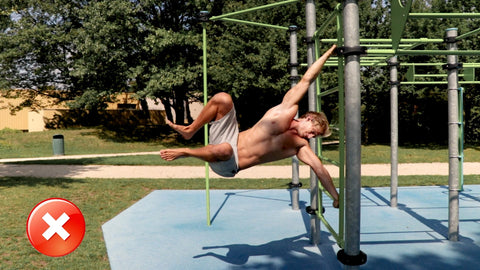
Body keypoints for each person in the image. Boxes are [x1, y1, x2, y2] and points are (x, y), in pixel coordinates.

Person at [160, 45, 339, 208]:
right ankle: (190, 131)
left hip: (228, 164)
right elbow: (306, 80)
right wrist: (328, 53)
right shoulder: (285, 110)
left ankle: (186, 152)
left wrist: (335, 196)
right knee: (223, 98)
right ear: (308, 119)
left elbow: (319, 168)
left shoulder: (299, 146)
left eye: (313, 137)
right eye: (312, 132)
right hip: (228, 138)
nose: (310, 137)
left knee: (225, 149)